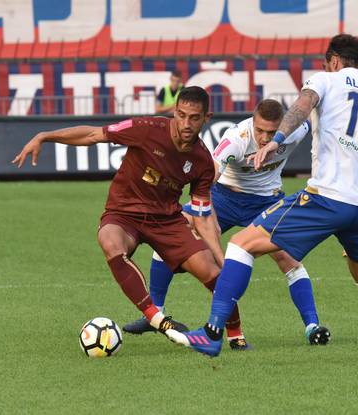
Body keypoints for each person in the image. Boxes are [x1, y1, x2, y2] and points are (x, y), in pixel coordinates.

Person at [167, 34, 358, 364]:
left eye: (325, 62)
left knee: (241, 245)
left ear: (334, 61)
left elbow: (301, 107)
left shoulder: (326, 80)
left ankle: (213, 332)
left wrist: (276, 139)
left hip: (327, 198)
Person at [11, 86, 249, 348]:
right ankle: (158, 320)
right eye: (181, 115)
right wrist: (45, 136)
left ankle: (236, 335)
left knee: (213, 274)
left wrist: (220, 257)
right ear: (174, 111)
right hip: (124, 213)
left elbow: (203, 216)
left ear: (207, 117)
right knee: (110, 243)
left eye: (194, 117)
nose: (186, 123)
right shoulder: (146, 128)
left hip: (167, 221)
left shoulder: (203, 161)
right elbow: (93, 135)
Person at [123, 99, 330, 345]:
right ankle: (154, 312)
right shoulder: (236, 139)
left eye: (271, 132)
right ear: (252, 122)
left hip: (267, 200)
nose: (264, 138)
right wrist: (207, 218)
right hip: (225, 197)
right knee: (175, 231)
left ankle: (312, 326)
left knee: (288, 258)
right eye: (260, 130)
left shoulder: (296, 130)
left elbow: (311, 117)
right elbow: (208, 177)